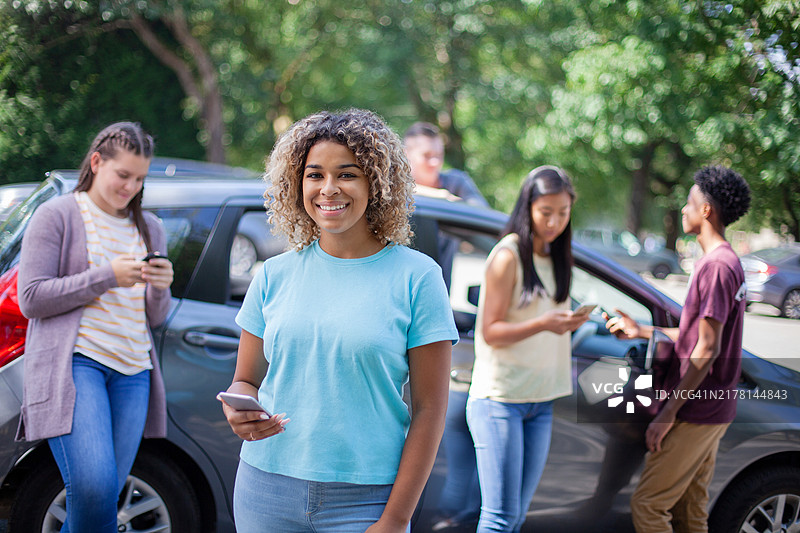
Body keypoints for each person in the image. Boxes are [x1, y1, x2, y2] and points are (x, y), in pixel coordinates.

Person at [218, 109, 458, 533]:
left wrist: (396, 518)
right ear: (297, 183)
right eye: (315, 175)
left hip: (367, 499)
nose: (329, 189)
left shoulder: (418, 277)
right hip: (265, 490)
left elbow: (430, 409)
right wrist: (239, 411)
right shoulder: (273, 275)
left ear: (376, 183)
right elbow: (246, 381)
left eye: (347, 174)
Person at [16, 122, 174, 532]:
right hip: (76, 365)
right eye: (123, 175)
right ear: (97, 161)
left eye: (140, 179)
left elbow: (154, 317)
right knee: (91, 488)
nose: (131, 187)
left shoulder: (150, 227)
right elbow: (31, 297)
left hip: (134, 372)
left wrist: (160, 288)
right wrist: (105, 275)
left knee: (104, 497)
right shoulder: (58, 215)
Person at [605, 165, 750, 533]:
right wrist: (642, 330)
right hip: (714, 406)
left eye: (689, 202)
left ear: (706, 211)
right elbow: (693, 333)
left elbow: (706, 348)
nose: (683, 210)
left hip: (697, 409)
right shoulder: (725, 261)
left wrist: (669, 412)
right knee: (690, 512)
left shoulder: (716, 266)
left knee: (649, 505)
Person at [467, 165, 589, 532]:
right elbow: (490, 331)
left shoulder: (556, 255)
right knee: (499, 518)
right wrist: (545, 323)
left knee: (517, 516)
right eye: (546, 212)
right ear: (528, 207)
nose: (554, 222)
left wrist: (567, 322)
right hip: (500, 400)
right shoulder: (507, 256)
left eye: (563, 214)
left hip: (541, 399)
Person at [403, 121, 489, 207]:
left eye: (439, 155)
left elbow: (482, 210)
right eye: (427, 155)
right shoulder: (395, 186)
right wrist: (439, 195)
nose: (435, 162)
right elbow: (400, 188)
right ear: (406, 155)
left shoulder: (456, 182)